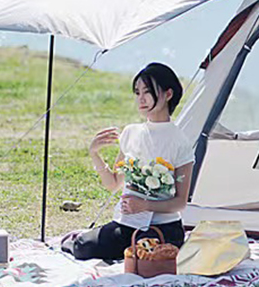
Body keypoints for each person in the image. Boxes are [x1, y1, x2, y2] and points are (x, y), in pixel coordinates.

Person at [64, 62, 195, 261]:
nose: (141, 99)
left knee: (146, 254)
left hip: (163, 227)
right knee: (84, 247)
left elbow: (180, 203)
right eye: (137, 92)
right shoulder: (131, 132)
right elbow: (114, 183)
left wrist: (145, 205)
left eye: (148, 92)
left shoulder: (180, 143)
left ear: (168, 94)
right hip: (128, 223)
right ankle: (76, 240)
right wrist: (94, 154)